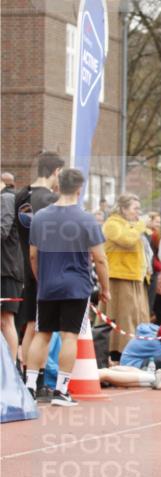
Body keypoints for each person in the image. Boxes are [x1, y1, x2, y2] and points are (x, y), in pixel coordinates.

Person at [26, 168, 110, 406]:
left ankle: (30, 386)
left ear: (57, 186)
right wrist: (106, 288)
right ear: (80, 189)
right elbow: (100, 259)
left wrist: (41, 279)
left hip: (48, 284)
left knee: (42, 334)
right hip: (76, 285)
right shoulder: (86, 219)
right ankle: (61, 391)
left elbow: (33, 255)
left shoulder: (40, 217)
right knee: (69, 336)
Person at [14, 150, 64, 380]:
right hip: (45, 268)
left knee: (31, 324)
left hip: (23, 264)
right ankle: (39, 376)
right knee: (43, 327)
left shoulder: (21, 196)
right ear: (56, 172)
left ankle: (26, 374)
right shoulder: (52, 200)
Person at [102, 194, 150, 358]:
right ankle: (119, 352)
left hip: (135, 277)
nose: (138, 212)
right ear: (123, 209)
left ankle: (135, 350)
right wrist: (140, 226)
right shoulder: (112, 224)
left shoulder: (130, 225)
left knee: (137, 317)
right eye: (135, 208)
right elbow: (127, 240)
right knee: (125, 318)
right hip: (119, 278)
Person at [1, 179, 23, 362]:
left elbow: (3, 230)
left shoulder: (7, 198)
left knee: (6, 320)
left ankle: (12, 367)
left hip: (8, 270)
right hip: (4, 268)